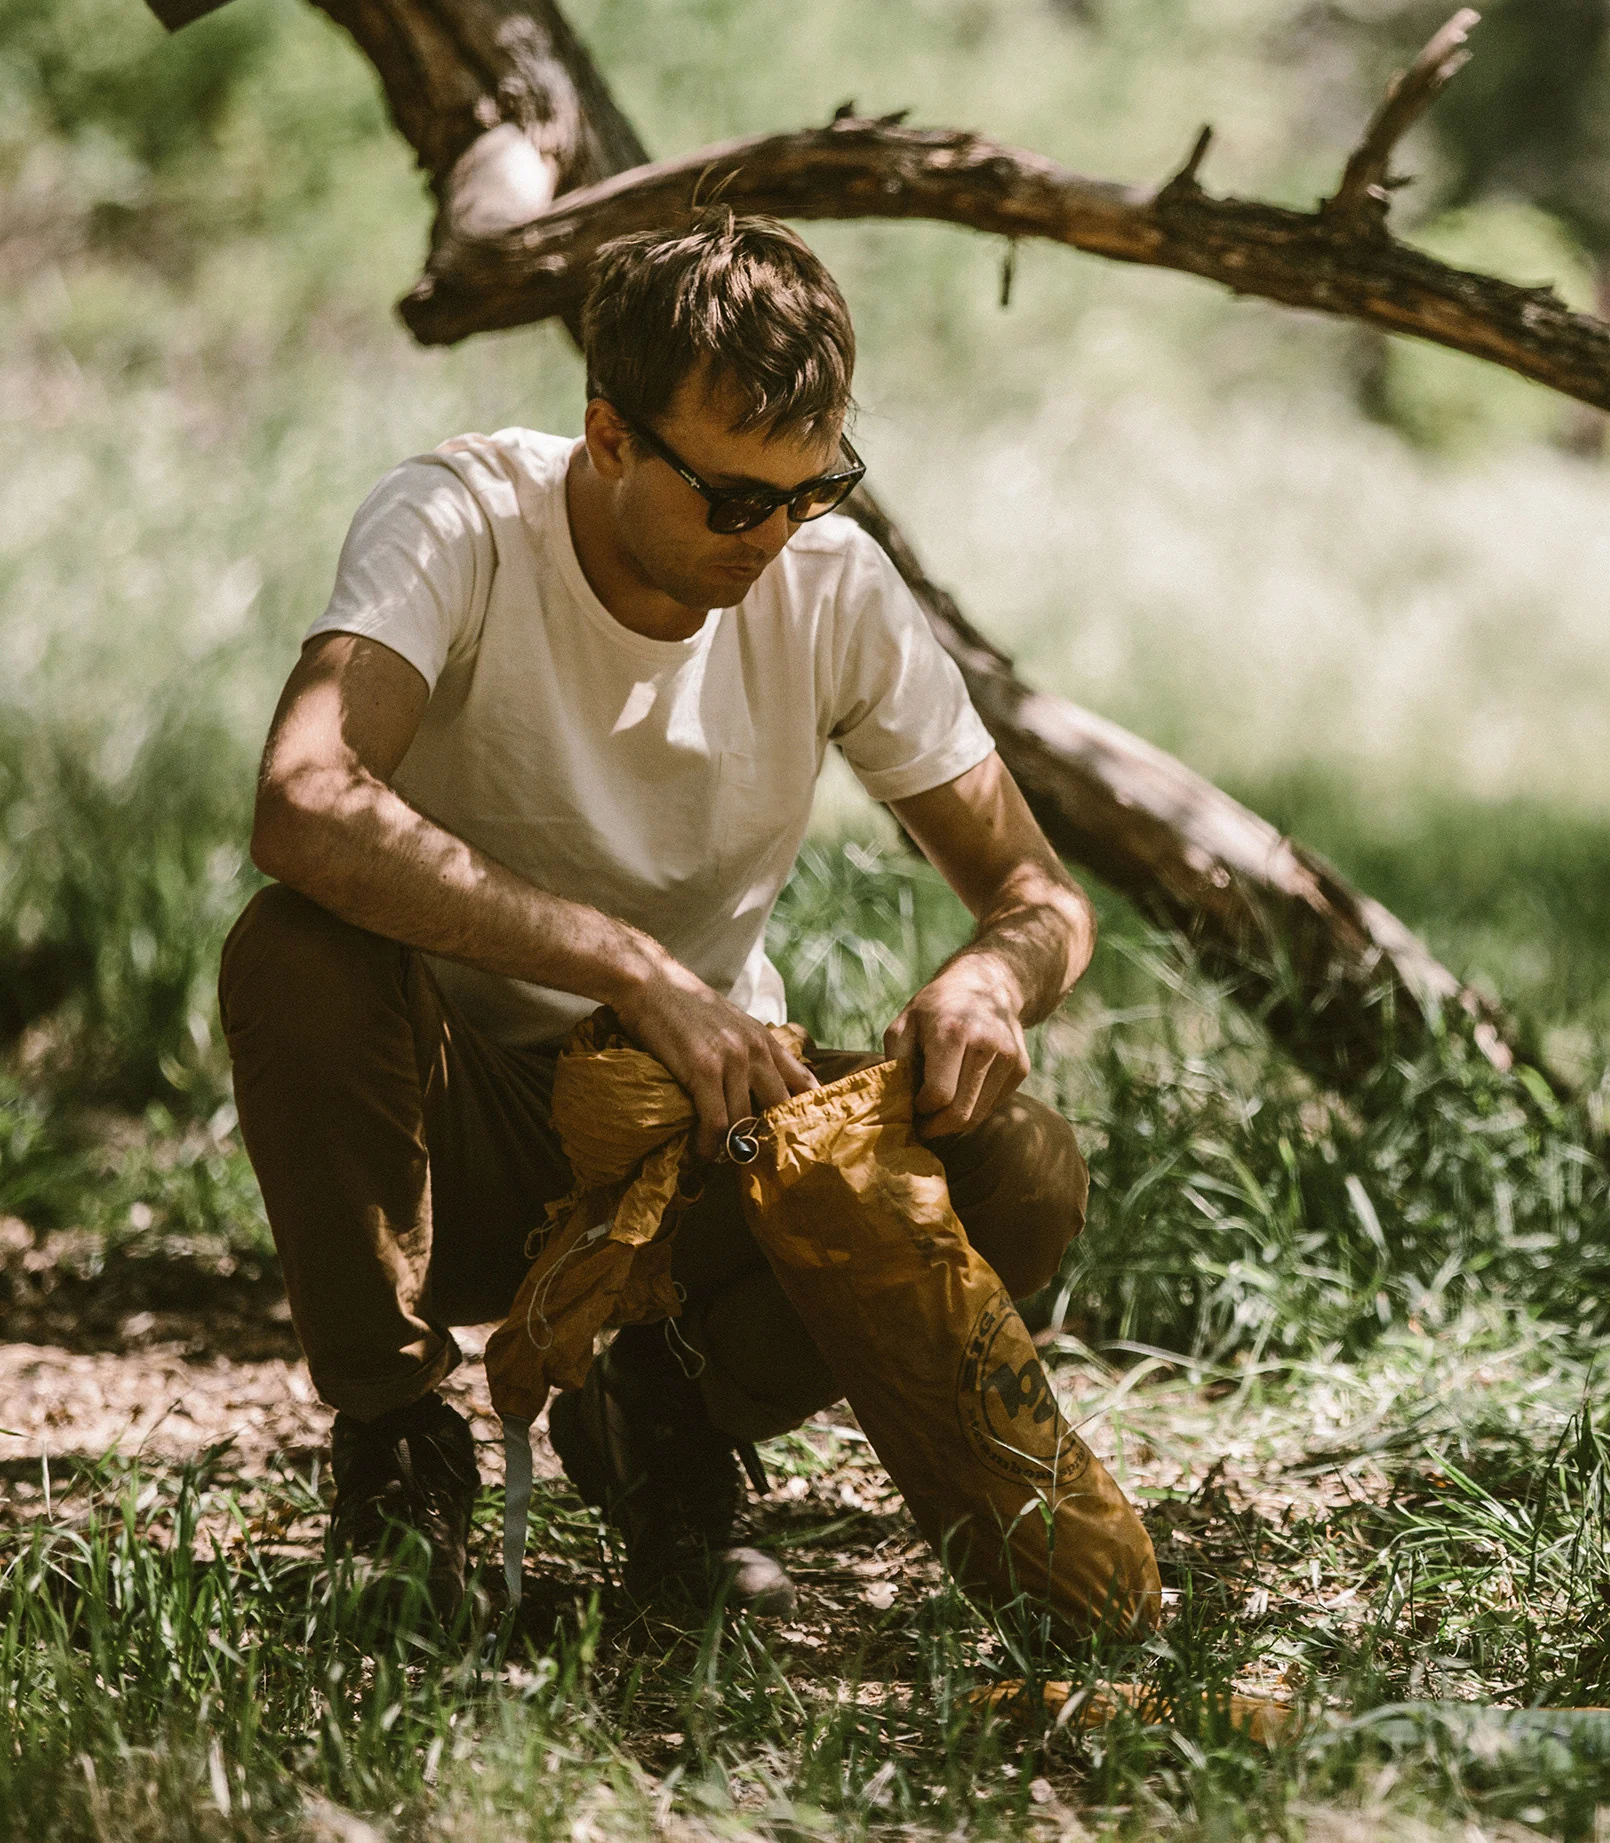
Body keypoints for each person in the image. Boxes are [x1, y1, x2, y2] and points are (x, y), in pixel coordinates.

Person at [219, 211, 1097, 1619]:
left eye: (815, 489)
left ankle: (661, 1423)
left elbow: (1038, 895)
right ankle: (398, 1451)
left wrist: (994, 979)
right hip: (450, 1128)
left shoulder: (829, 581)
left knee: (1023, 1168)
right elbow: (304, 800)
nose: (775, 534)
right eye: (736, 499)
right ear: (611, 437)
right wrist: (628, 967)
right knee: (293, 951)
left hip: (701, 1133)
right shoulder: (461, 519)